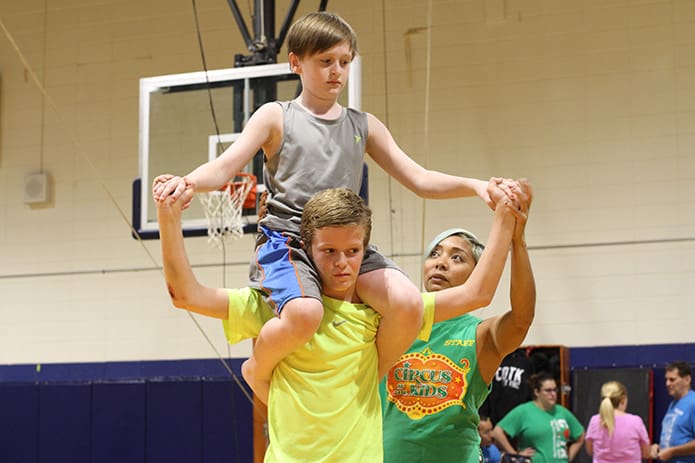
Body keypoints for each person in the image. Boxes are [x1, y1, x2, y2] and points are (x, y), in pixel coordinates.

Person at [152, 10, 518, 402]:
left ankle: (369, 378)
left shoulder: (363, 125)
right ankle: (256, 368)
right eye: (325, 62)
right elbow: (226, 166)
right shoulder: (277, 116)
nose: (336, 72)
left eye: (344, 62)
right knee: (305, 314)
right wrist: (188, 181)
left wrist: (476, 186)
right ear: (296, 62)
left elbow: (419, 178)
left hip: (345, 241)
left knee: (409, 303)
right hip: (289, 241)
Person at [158, 184, 523, 462]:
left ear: (366, 250)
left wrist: (506, 218)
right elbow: (186, 294)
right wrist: (168, 218)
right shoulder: (279, 308)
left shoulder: (379, 316)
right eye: (328, 251)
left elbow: (477, 293)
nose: (342, 264)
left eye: (353, 251)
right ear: (306, 247)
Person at [380, 179, 535, 463]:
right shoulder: (391, 318)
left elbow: (522, 320)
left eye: (457, 257)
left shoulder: (478, 333)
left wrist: (518, 240)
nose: (441, 262)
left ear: (478, 272)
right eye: (434, 254)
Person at [492, 373, 585, 462]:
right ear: (537, 392)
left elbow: (580, 435)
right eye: (548, 390)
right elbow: (497, 432)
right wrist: (516, 455)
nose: (553, 394)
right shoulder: (524, 411)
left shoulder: (562, 412)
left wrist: (570, 455)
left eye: (555, 390)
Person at [584, 381, 650, 463]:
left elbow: (590, 451)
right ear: (623, 399)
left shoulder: (594, 421)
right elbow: (646, 453)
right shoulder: (636, 422)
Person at [650, 361, 695, 463]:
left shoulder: (693, 403)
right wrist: (659, 448)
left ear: (687, 379)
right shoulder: (673, 404)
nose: (667, 384)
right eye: (666, 380)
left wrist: (673, 451)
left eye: (672, 380)